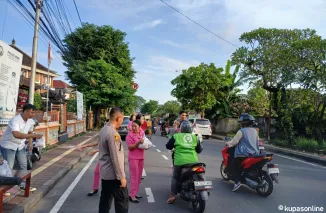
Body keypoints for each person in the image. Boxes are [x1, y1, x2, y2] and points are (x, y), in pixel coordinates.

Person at [0, 104, 42, 192]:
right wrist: (33, 135)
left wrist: (30, 143)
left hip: (20, 145)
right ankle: (4, 189)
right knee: (8, 167)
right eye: (32, 112)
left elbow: (30, 131)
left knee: (23, 165)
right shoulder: (15, 120)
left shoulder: (30, 121)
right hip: (9, 145)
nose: (33, 114)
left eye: (34, 112)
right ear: (26, 111)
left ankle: (22, 185)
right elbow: (16, 134)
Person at [98, 107, 128, 213]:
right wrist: (121, 177)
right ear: (118, 118)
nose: (122, 121)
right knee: (122, 203)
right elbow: (115, 157)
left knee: (105, 201)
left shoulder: (103, 129)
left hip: (106, 174)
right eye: (122, 119)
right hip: (114, 176)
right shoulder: (112, 133)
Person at [165, 120, 203, 204]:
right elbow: (199, 150)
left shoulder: (176, 136)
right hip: (193, 161)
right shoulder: (195, 137)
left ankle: (172, 195)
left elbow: (168, 146)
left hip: (180, 162)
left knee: (175, 177)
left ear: (181, 128)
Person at [226, 113, 260, 192]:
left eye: (241, 122)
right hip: (255, 154)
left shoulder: (241, 131)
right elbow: (257, 141)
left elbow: (234, 142)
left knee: (232, 165)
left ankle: (237, 182)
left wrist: (228, 143)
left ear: (243, 123)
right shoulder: (255, 131)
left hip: (243, 154)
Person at [126, 120, 145, 203]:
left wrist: (146, 145)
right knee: (134, 177)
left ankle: (135, 192)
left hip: (141, 157)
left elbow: (144, 143)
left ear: (139, 127)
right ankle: (132, 195)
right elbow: (130, 147)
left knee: (138, 177)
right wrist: (138, 143)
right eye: (132, 126)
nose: (133, 128)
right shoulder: (129, 135)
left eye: (135, 126)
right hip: (133, 158)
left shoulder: (141, 133)